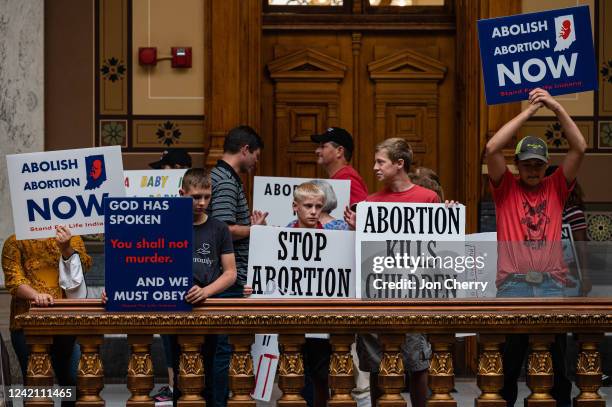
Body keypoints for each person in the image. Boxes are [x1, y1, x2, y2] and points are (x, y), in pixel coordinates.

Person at [485, 87, 586, 407]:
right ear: (517, 164)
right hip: (514, 284)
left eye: (538, 164)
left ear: (546, 165)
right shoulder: (506, 188)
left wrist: (555, 106)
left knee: (556, 365)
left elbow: (579, 146)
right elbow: (491, 147)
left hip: (552, 284)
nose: (532, 169)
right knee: (509, 364)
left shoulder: (556, 187)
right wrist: (529, 111)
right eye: (526, 163)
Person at [344, 138, 439, 407]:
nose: (374, 167)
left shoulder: (428, 198)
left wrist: (449, 216)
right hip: (376, 293)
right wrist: (355, 230)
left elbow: (439, 247)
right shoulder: (370, 203)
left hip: (414, 295)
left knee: (417, 361)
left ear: (399, 164)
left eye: (380, 162)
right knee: (375, 364)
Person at [208, 125, 267, 406]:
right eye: (255, 154)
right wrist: (257, 230)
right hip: (227, 278)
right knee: (225, 348)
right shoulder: (227, 182)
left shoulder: (218, 176)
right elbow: (223, 228)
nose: (255, 161)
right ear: (245, 150)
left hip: (221, 277)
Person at [2, 226, 92, 407]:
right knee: (36, 385)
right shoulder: (14, 241)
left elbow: (85, 267)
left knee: (73, 381)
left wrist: (66, 247)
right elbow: (13, 280)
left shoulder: (72, 239)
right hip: (27, 325)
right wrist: (35, 296)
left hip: (66, 323)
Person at [175, 168, 237, 406]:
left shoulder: (219, 228)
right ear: (182, 193)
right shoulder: (169, 223)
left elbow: (230, 273)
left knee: (212, 372)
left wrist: (206, 291)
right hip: (176, 310)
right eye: (195, 197)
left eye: (207, 197)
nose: (202, 203)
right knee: (182, 376)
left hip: (209, 308)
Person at [149, 149, 193, 403]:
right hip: (163, 274)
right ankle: (172, 384)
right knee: (166, 335)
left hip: (190, 281)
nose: (159, 173)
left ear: (176, 168)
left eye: (164, 168)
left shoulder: (195, 203)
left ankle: (185, 385)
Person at [312, 127, 368, 206]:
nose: (317, 151)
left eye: (323, 146)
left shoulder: (346, 178)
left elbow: (362, 212)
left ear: (339, 151)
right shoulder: (341, 177)